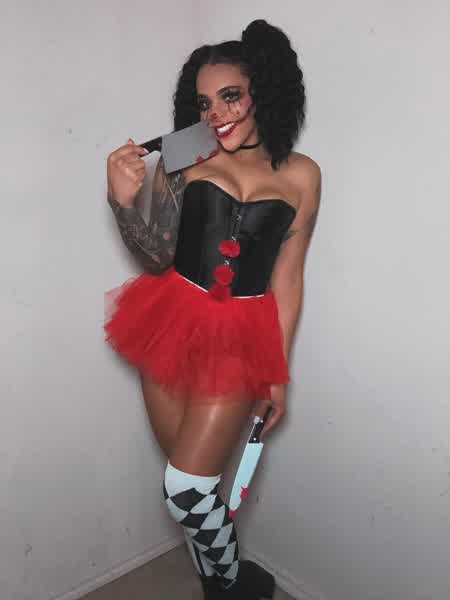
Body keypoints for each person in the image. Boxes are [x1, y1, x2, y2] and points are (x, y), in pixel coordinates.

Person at [104, 18, 321, 600]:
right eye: (203, 103)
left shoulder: (303, 175)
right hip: (168, 319)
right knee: (190, 484)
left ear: (263, 92)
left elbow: (288, 279)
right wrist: (122, 202)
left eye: (230, 96)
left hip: (240, 335)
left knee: (186, 491)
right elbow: (156, 255)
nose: (216, 115)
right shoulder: (185, 152)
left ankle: (229, 585)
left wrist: (278, 374)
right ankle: (226, 582)